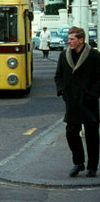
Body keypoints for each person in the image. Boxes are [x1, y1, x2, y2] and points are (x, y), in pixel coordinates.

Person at [54, 26, 100, 178]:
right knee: (71, 132)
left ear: (81, 40)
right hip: (72, 102)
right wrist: (63, 91)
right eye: (69, 38)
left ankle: (92, 166)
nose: (69, 42)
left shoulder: (94, 56)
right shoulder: (63, 55)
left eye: (72, 39)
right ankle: (78, 162)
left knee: (92, 135)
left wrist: (92, 95)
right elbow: (58, 76)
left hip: (89, 103)